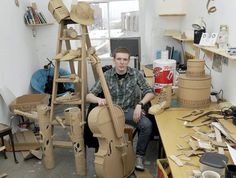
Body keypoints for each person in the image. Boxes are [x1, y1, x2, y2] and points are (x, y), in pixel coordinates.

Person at [86, 47, 155, 171]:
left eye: (125, 59)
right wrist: (98, 100)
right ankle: (106, 155)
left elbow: (150, 92)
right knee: (98, 128)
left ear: (128, 61)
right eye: (119, 59)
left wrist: (140, 104)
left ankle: (139, 156)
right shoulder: (106, 75)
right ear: (114, 60)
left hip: (128, 111)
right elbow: (88, 96)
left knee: (147, 125)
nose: (121, 62)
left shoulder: (135, 74)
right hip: (110, 112)